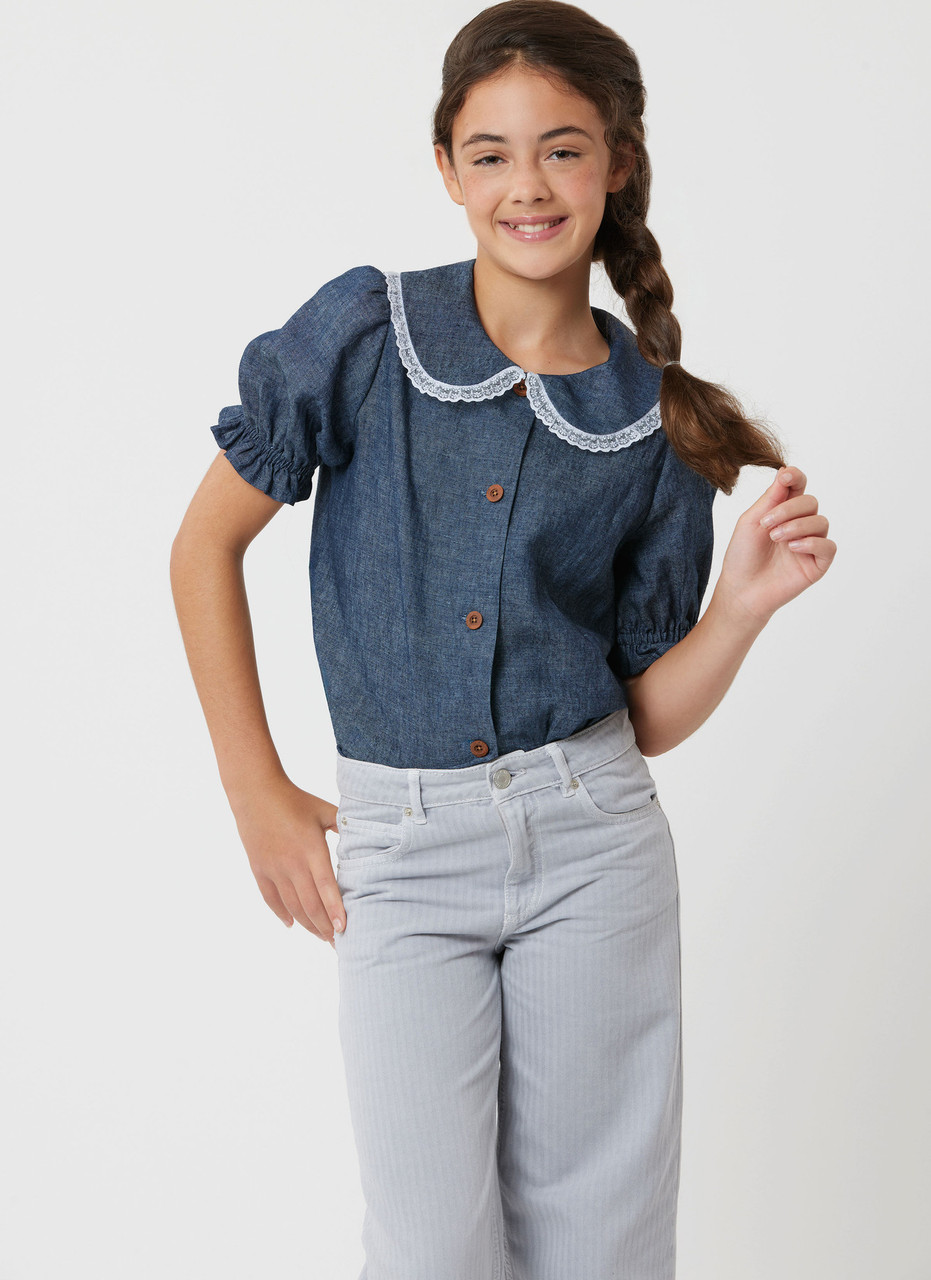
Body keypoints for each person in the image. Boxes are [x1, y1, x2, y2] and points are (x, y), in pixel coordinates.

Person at [170, 2, 836, 1276]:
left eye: (562, 149)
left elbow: (644, 715)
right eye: (490, 153)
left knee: (601, 1239)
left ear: (617, 161)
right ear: (447, 168)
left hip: (594, 844)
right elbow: (202, 546)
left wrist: (740, 607)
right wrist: (256, 789)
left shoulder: (656, 416)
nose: (526, 184)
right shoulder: (365, 336)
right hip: (400, 847)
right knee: (429, 1245)